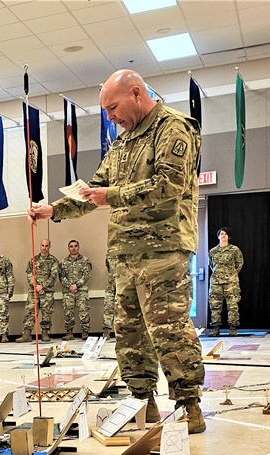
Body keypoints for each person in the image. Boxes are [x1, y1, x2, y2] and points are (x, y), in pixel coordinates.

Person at [28, 68, 206, 433]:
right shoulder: (122, 143)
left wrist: (113, 195)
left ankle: (189, 405)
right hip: (124, 253)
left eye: (113, 107)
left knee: (169, 329)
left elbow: (167, 186)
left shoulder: (174, 128)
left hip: (163, 250)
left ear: (137, 93)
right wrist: (53, 210)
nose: (110, 117)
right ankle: (144, 402)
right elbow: (94, 190)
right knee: (129, 333)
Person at [18, 239, 59, 342]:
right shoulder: (33, 260)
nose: (44, 247)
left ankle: (44, 333)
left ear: (49, 246)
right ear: (39, 246)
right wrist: (36, 286)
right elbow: (29, 274)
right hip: (34, 291)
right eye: (42, 245)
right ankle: (27, 333)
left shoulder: (53, 261)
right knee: (30, 311)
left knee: (46, 313)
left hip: (47, 291)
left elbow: (53, 276)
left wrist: (43, 286)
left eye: (46, 245)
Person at [208, 227, 244, 337]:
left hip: (231, 281)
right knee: (215, 305)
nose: (223, 236)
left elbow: (239, 263)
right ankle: (216, 329)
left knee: (232, 305)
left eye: (225, 234)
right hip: (216, 281)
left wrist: (231, 273)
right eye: (221, 234)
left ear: (229, 236)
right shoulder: (213, 251)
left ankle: (233, 328)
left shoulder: (234, 250)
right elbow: (211, 264)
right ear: (218, 236)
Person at [59, 240, 92, 340]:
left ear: (78, 247)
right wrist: (70, 286)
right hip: (68, 291)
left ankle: (85, 332)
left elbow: (86, 275)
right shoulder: (64, 262)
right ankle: (69, 332)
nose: (73, 248)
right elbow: (61, 276)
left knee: (84, 311)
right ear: (68, 248)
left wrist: (76, 285)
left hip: (81, 290)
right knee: (68, 312)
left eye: (75, 246)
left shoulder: (85, 260)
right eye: (71, 246)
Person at [103, 255, 117, 338]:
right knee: (108, 308)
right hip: (111, 286)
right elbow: (109, 269)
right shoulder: (109, 256)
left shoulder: (127, 254)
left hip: (124, 285)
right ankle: (106, 331)